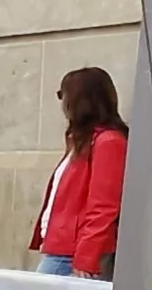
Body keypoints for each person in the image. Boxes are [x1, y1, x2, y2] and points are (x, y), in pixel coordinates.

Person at [34, 67, 127, 278]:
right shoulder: (84, 142)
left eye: (62, 94)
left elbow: (104, 205)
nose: (61, 102)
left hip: (72, 255)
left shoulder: (107, 142)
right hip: (62, 250)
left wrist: (86, 256)